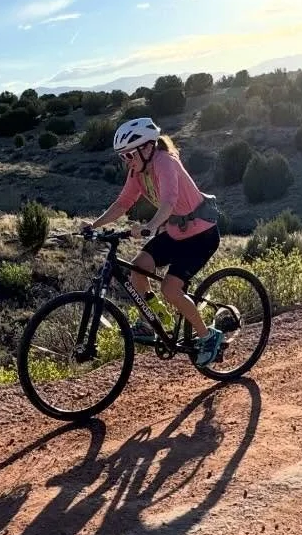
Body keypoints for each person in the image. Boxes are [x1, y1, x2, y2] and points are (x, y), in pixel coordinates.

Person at [87, 117, 226, 367]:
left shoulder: (165, 162)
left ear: (147, 148)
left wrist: (150, 226)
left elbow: (169, 201)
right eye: (123, 157)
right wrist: (94, 225)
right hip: (176, 233)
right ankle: (155, 320)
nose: (127, 161)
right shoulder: (137, 172)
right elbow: (123, 203)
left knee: (170, 289)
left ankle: (208, 337)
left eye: (130, 155)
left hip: (201, 235)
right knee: (137, 270)